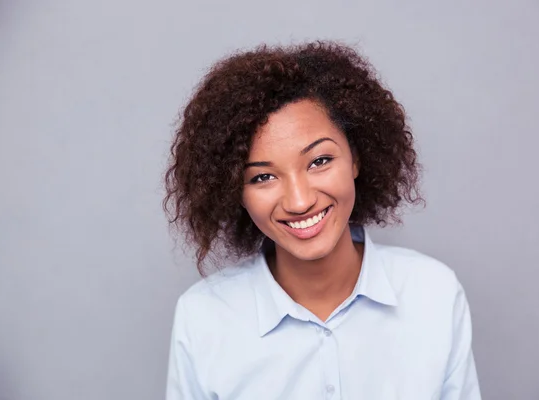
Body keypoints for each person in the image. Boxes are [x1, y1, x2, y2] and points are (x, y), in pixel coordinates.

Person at [163, 41, 481, 400]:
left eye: (319, 161)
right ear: (235, 193)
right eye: (262, 177)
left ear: (356, 159)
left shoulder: (432, 293)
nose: (300, 201)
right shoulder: (204, 318)